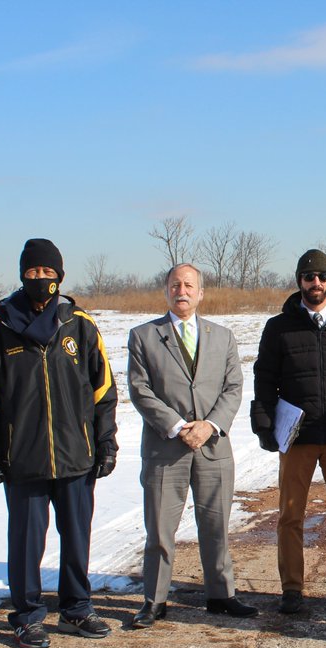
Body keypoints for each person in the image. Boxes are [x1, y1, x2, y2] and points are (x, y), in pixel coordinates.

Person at [0, 238, 118, 648]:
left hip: (75, 455)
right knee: (26, 542)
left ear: (60, 276)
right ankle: (27, 615)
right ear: (22, 275)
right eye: (33, 273)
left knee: (77, 537)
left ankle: (76, 608)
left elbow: (103, 390)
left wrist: (106, 443)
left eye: (48, 273)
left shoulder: (79, 323)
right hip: (24, 458)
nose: (40, 280)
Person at [126, 264, 257, 627]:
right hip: (166, 449)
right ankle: (154, 600)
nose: (181, 291)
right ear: (166, 291)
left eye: (189, 285)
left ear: (201, 293)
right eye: (175, 285)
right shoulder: (143, 336)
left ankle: (221, 595)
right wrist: (178, 426)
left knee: (216, 526)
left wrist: (210, 425)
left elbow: (233, 387)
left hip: (213, 447)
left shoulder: (222, 336)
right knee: (160, 530)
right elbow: (140, 389)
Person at [251, 249, 326, 615]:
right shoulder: (278, 327)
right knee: (290, 514)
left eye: (322, 276)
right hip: (297, 437)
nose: (315, 283)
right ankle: (292, 588)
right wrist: (264, 422)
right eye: (308, 277)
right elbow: (264, 380)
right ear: (299, 281)